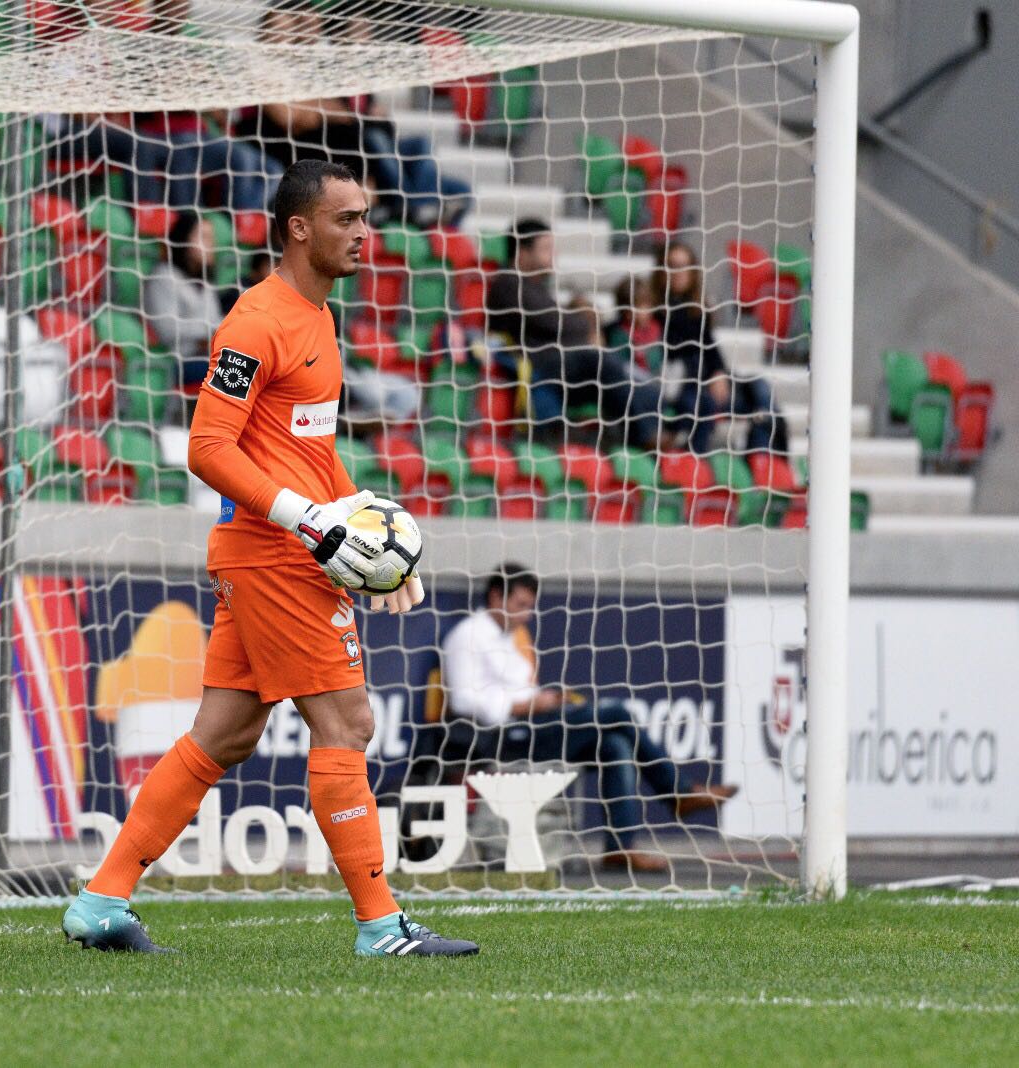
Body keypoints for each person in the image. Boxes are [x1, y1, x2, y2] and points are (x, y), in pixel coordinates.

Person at [61, 160, 476, 957]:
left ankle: (101, 901)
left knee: (224, 734)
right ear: (297, 228)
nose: (365, 233)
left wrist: (380, 547)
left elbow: (313, 457)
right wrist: (312, 527)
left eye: (366, 217)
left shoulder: (318, 317)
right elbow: (207, 450)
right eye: (347, 219)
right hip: (273, 555)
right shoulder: (256, 321)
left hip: (287, 549)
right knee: (348, 723)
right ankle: (381, 926)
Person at [440, 563, 738, 874]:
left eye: (530, 607)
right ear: (496, 595)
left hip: (535, 728)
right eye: (520, 605)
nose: (526, 615)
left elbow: (522, 691)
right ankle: (678, 792)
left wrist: (547, 699)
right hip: (502, 737)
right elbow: (462, 701)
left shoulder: (510, 639)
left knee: (615, 745)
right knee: (616, 712)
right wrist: (527, 705)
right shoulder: (467, 636)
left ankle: (619, 849)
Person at [486, 218, 665, 448]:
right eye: (546, 248)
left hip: (561, 366)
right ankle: (644, 439)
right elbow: (556, 323)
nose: (553, 254)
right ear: (522, 252)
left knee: (642, 386)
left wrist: (581, 319)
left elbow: (561, 324)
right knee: (600, 360)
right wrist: (586, 320)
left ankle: (651, 445)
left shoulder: (534, 285)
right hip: (539, 366)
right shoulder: (509, 284)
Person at [654, 240, 787, 454]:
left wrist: (718, 373)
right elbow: (677, 352)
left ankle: (762, 462)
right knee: (703, 403)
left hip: (708, 383)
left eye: (684, 266)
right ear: (662, 270)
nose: (679, 272)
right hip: (682, 389)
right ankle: (695, 466)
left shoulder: (697, 311)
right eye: (673, 265)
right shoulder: (655, 311)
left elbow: (709, 347)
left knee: (760, 391)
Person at [143, 210, 226, 387]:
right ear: (184, 239)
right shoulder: (163, 277)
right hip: (176, 361)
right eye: (203, 237)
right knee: (238, 371)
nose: (211, 245)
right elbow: (167, 329)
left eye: (211, 238)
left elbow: (215, 321)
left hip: (208, 356)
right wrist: (207, 332)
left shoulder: (205, 282)